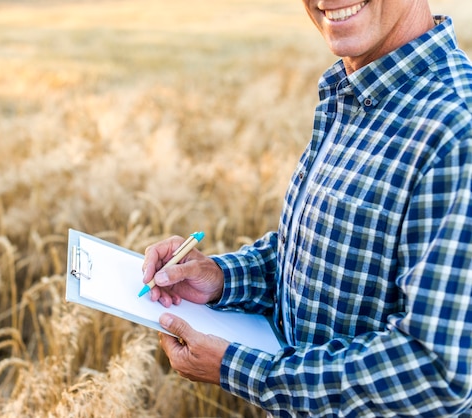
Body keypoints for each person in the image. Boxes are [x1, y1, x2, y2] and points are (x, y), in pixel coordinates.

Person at [141, 1, 472, 417]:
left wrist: (238, 368)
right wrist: (223, 279)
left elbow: (436, 372)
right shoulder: (354, 93)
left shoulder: (457, 131)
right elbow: (328, 257)